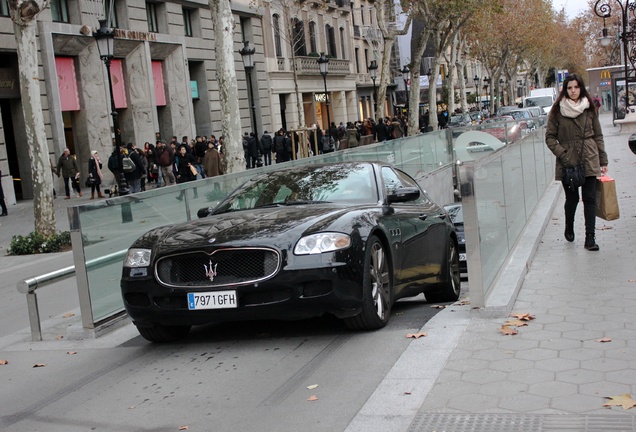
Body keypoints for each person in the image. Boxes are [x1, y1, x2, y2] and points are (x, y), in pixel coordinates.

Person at [546, 73, 608, 251]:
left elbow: (598, 135)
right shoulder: (557, 111)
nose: (573, 91)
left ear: (581, 88)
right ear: (565, 90)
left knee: (589, 198)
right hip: (568, 159)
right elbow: (549, 137)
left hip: (589, 156)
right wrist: (563, 154)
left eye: (576, 87)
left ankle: (590, 238)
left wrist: (603, 160)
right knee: (572, 199)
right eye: (569, 88)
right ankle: (569, 227)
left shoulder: (590, 108)